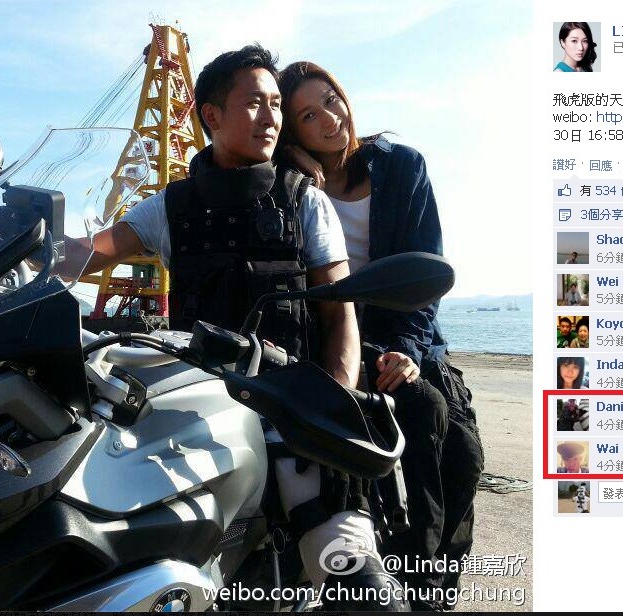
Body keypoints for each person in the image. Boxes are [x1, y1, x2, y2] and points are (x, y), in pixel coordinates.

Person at [74, 45, 400, 609]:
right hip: (197, 424)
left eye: (275, 104)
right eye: (254, 103)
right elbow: (88, 252)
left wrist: (329, 414)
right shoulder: (170, 207)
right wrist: (15, 244)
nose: (270, 118)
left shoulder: (304, 201)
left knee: (356, 581)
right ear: (211, 115)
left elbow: (339, 313)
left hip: (291, 420)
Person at [277, 60, 485, 610]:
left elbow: (423, 269)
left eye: (331, 100)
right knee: (417, 420)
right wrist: (288, 164)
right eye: (307, 116)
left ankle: (434, 584)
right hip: (338, 338)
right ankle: (402, 581)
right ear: (290, 130)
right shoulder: (288, 184)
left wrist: (406, 351)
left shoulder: (402, 167)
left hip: (408, 332)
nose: (329, 119)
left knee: (463, 453)